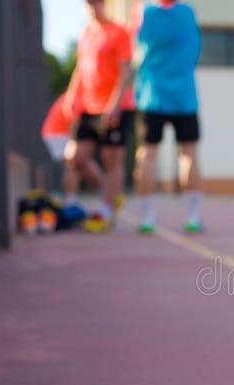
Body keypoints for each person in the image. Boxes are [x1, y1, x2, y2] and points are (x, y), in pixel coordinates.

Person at [132, 0, 204, 234]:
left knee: (148, 154)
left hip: (153, 95)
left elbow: (134, 51)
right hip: (182, 95)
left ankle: (146, 217)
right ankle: (193, 216)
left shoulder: (142, 11)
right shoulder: (188, 12)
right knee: (188, 153)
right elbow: (194, 51)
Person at [64, 0, 136, 233]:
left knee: (111, 158)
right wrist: (71, 96)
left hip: (115, 106)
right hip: (88, 106)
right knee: (77, 157)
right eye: (89, 3)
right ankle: (110, 195)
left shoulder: (118, 32)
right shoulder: (86, 33)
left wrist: (114, 104)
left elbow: (126, 70)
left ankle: (106, 212)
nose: (93, 7)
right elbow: (80, 69)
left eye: (97, 2)